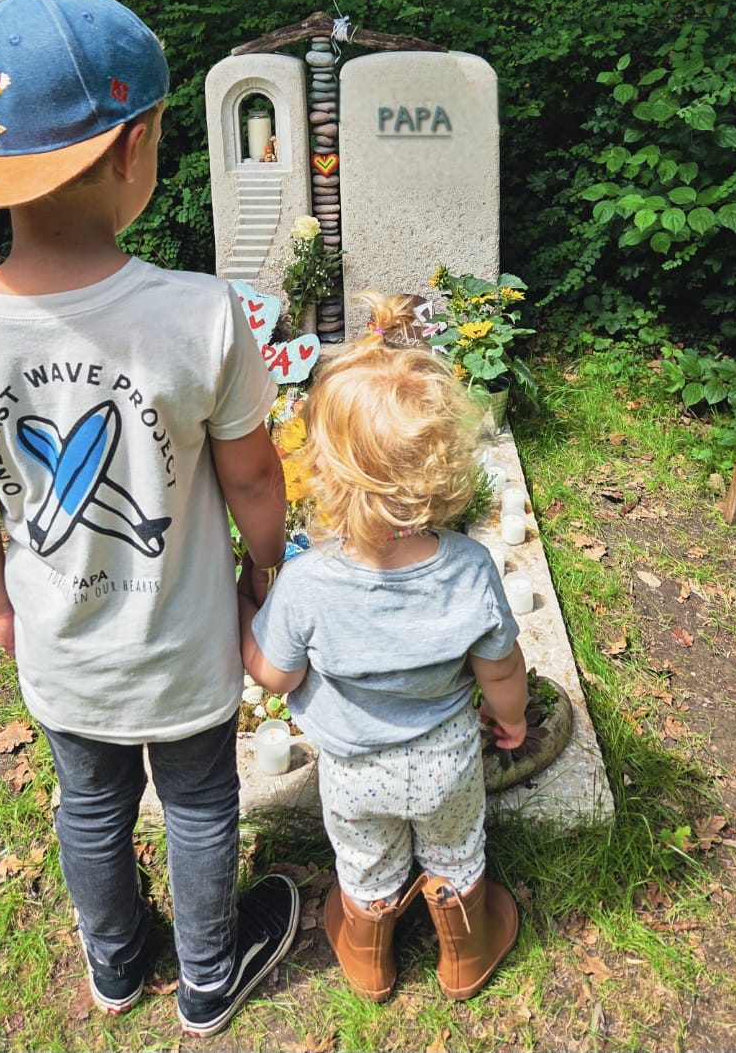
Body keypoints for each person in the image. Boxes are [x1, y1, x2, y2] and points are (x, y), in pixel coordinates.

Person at [0, 0, 298, 1035]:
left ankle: (118, 968)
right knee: (200, 802)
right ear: (133, 147)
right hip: (185, 644)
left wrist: (0, 607)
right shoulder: (200, 313)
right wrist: (266, 570)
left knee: (89, 804)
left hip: (60, 647)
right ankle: (209, 975)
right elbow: (254, 479)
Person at [239, 292, 528, 1004]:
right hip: (447, 762)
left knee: (365, 862)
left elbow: (274, 673)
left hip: (353, 771)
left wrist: (248, 612)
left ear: (326, 473)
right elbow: (501, 668)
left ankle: (370, 956)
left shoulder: (306, 583)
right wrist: (512, 719)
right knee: (457, 851)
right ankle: (465, 951)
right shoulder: (469, 569)